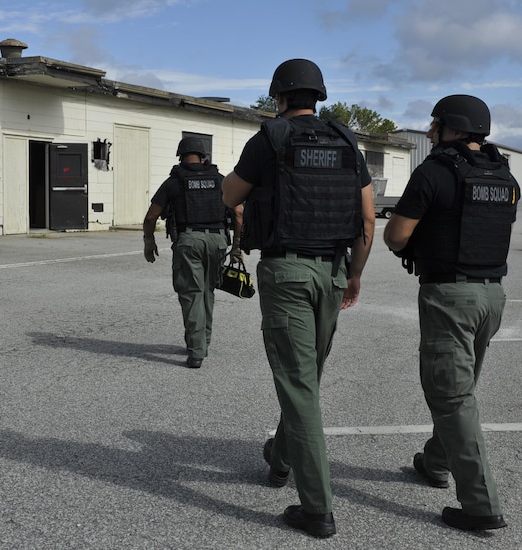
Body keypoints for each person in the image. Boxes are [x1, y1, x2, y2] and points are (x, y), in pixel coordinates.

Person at [222, 58, 375, 538]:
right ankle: (281, 457)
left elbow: (227, 196)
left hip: (286, 270)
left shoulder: (269, 139)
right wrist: (353, 276)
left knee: (298, 383)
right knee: (307, 377)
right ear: (319, 97)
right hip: (333, 270)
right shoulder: (347, 141)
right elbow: (368, 221)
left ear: (279, 97)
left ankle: (317, 509)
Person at [384, 94, 519, 532]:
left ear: (454, 129)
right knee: (459, 388)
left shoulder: (435, 171)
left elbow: (396, 235)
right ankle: (436, 461)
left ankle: (480, 504)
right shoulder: (504, 175)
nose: (429, 132)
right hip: (493, 297)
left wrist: (415, 242)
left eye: (435, 125)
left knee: (452, 395)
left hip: (450, 297)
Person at [143, 137, 243, 369]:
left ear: (180, 155)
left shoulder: (174, 182)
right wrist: (237, 245)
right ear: (203, 156)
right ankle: (203, 340)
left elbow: (150, 217)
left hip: (188, 241)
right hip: (217, 241)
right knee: (207, 290)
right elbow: (238, 213)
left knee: (191, 293)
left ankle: (197, 350)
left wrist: (149, 241)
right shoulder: (220, 180)